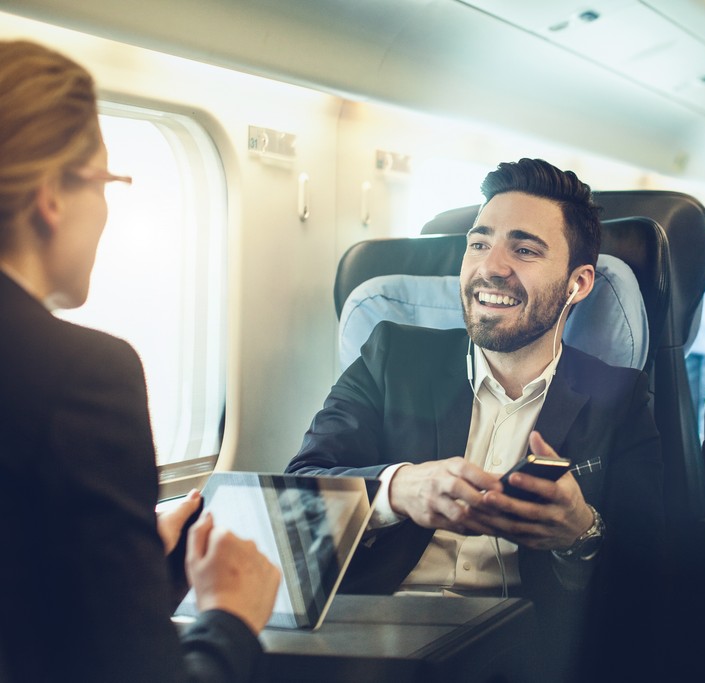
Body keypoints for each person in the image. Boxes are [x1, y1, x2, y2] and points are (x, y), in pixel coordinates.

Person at [287, 158, 667, 681]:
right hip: (374, 637)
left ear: (578, 284)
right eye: (479, 243)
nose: (491, 266)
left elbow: (660, 563)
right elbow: (295, 492)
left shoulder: (619, 397)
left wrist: (581, 532)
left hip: (523, 652)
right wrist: (397, 490)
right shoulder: (391, 355)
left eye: (525, 249)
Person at [0, 40, 281, 683]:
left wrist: (133, 568)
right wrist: (231, 617)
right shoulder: (83, 378)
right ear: (51, 196)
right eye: (105, 182)